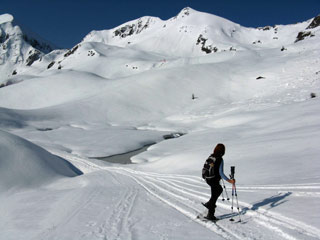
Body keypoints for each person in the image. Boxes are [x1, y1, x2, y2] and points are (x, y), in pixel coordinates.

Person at [202, 143, 235, 220]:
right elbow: (221, 173)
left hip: (208, 179)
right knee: (217, 192)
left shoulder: (211, 156)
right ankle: (210, 211)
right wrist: (229, 180)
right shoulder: (219, 159)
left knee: (217, 191)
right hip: (214, 179)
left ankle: (210, 207)